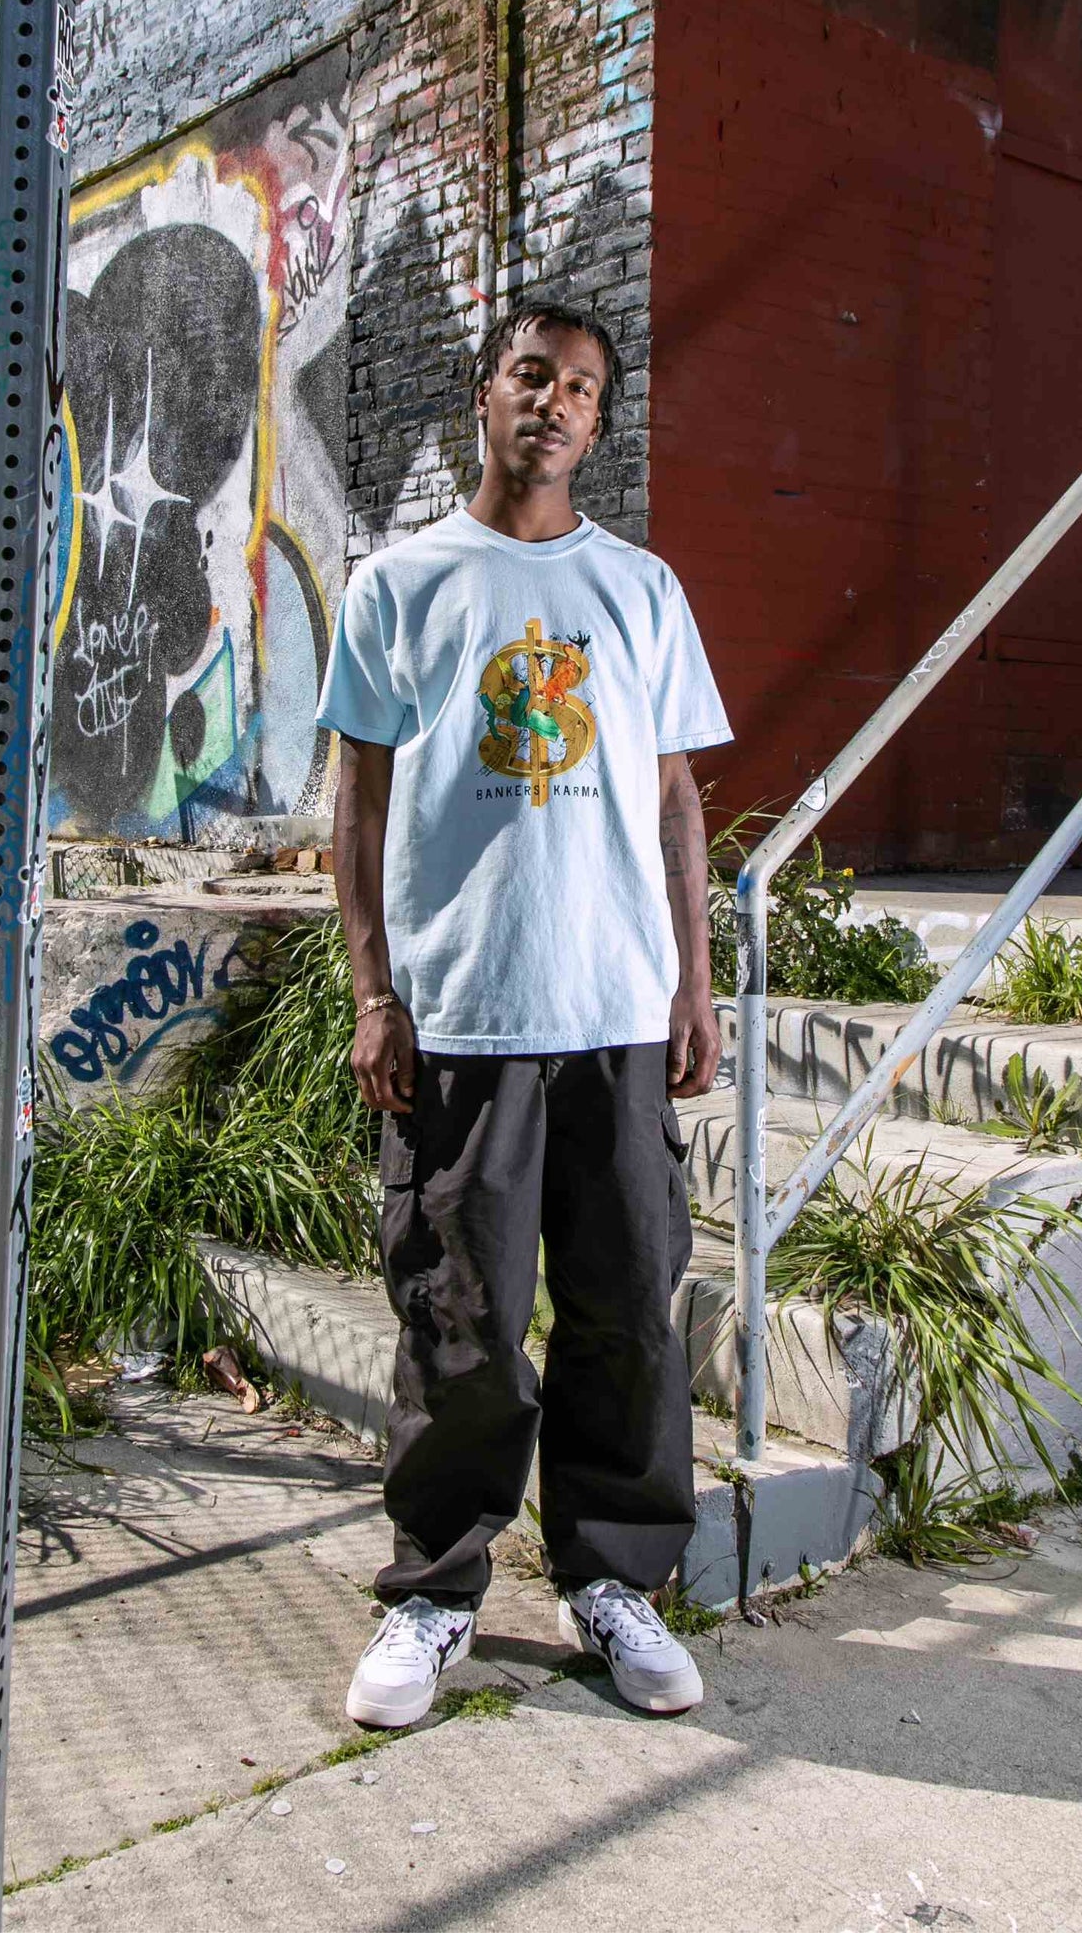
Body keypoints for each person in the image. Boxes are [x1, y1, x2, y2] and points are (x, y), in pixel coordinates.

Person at [316, 301, 733, 1726]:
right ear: (482, 395)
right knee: (460, 1323)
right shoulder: (401, 585)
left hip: (614, 1008)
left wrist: (693, 975)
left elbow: (675, 798)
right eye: (530, 376)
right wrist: (375, 988)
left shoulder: (643, 591)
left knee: (626, 1316)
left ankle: (613, 1580)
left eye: (583, 390)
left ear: (601, 424)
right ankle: (435, 1595)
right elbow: (359, 802)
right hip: (463, 1015)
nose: (553, 404)